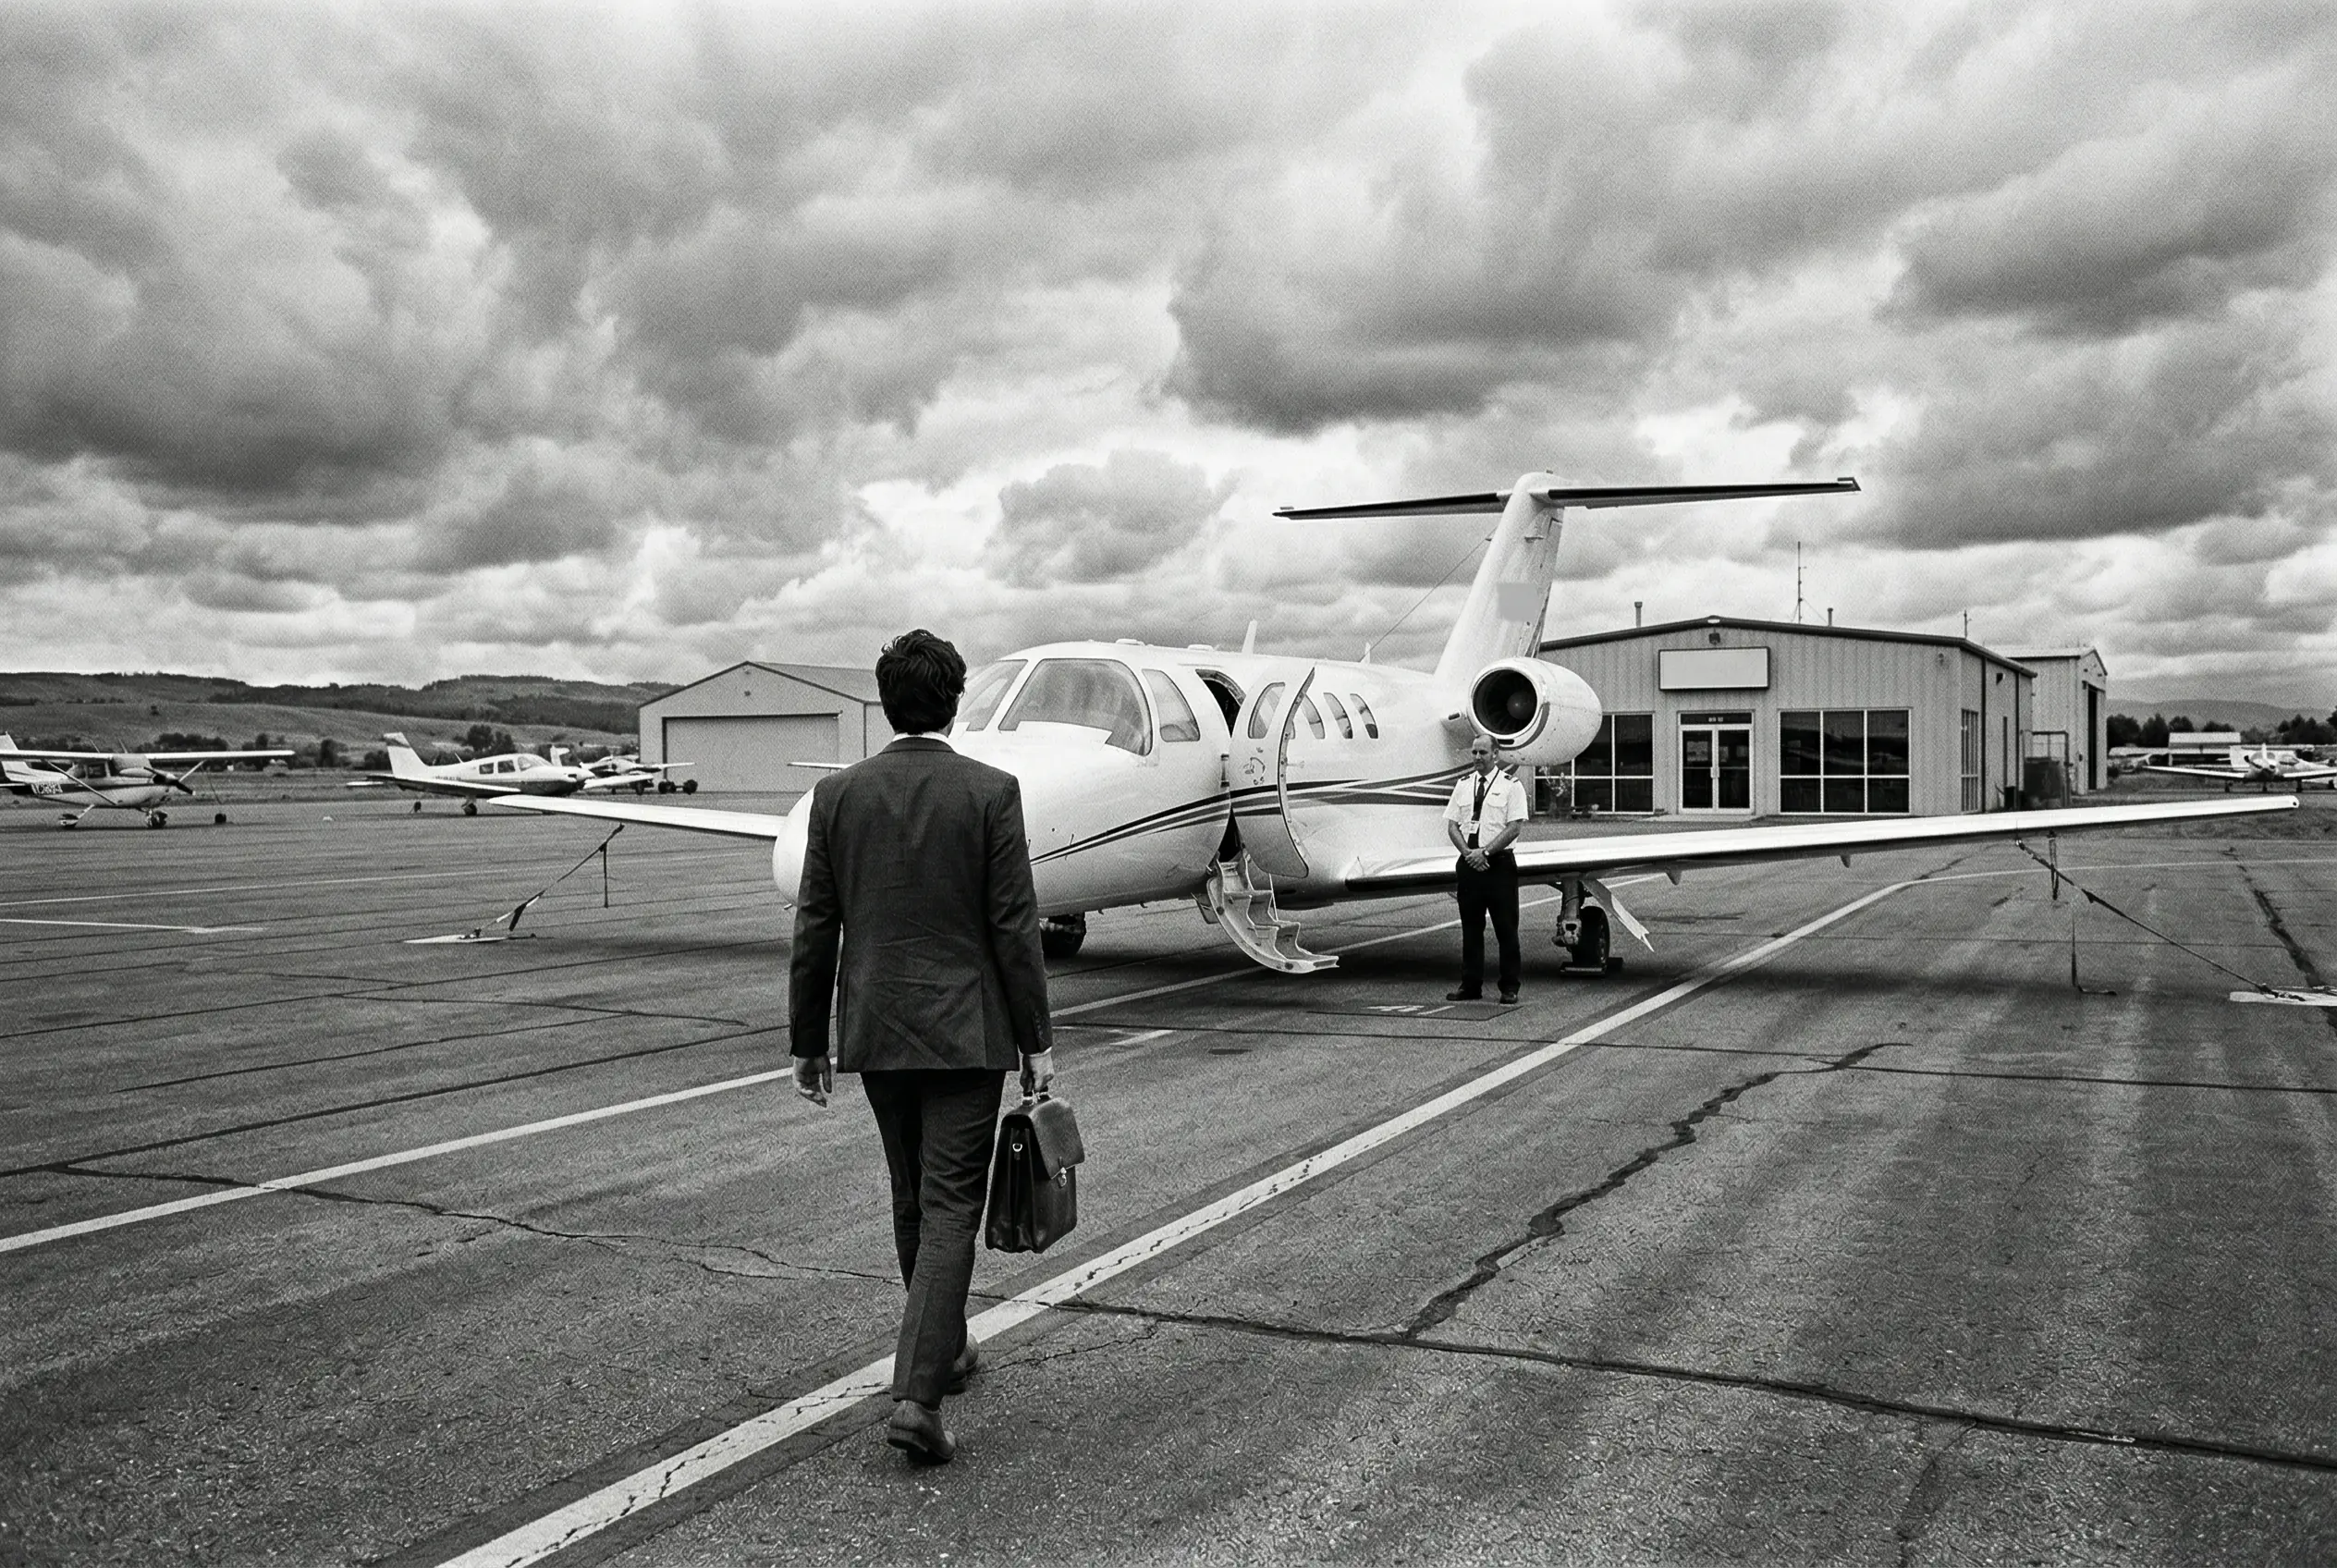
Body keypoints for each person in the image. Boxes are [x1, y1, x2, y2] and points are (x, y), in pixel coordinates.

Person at [789, 629, 1056, 1464]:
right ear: (955, 698)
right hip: (967, 1036)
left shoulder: (838, 795)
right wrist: (1036, 1042)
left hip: (875, 1030)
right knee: (949, 1211)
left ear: (885, 699)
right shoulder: (990, 791)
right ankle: (917, 1397)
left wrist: (808, 1040)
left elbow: (815, 926)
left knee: (913, 1199)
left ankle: (946, 1351)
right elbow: (1014, 926)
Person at [1443, 735, 1526, 1004]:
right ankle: (1470, 985)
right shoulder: (1463, 785)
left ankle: (1510, 987)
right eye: (1474, 752)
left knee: (1506, 929)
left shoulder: (1511, 786)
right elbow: (1453, 825)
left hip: (1498, 865)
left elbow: (1514, 827)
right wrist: (1468, 854)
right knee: (1471, 929)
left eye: (1482, 752)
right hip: (1469, 866)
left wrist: (1486, 852)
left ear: (1495, 754)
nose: (1477, 757)